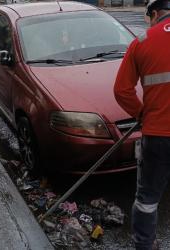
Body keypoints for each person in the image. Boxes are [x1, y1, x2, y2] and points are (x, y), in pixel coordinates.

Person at [113, 1, 170, 249]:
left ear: (154, 14)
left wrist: (141, 114)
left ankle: (145, 245)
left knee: (147, 198)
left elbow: (122, 91)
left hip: (158, 135)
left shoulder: (142, 42)